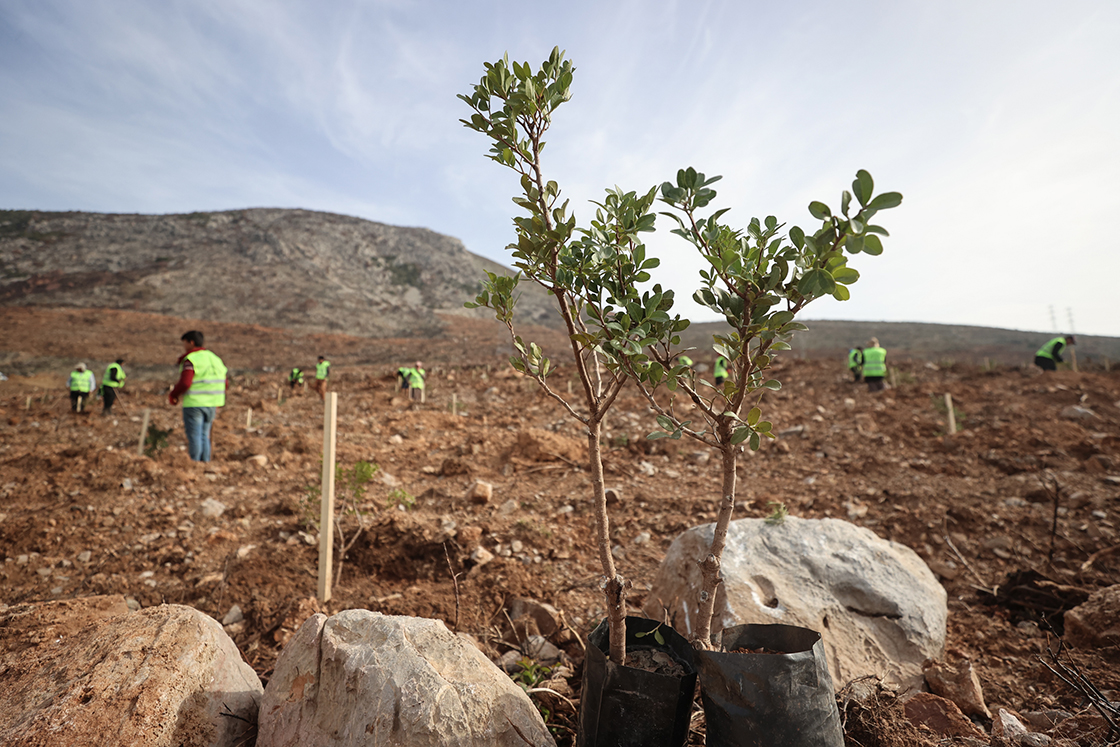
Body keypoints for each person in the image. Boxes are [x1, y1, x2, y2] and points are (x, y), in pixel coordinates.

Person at [169, 330, 227, 462]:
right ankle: (205, 462)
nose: (184, 346)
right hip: (212, 404)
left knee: (194, 435)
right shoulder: (215, 358)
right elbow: (225, 382)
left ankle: (195, 463)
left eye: (184, 343)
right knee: (204, 435)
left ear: (191, 342)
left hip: (195, 403)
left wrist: (174, 395)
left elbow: (185, 382)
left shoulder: (191, 360)